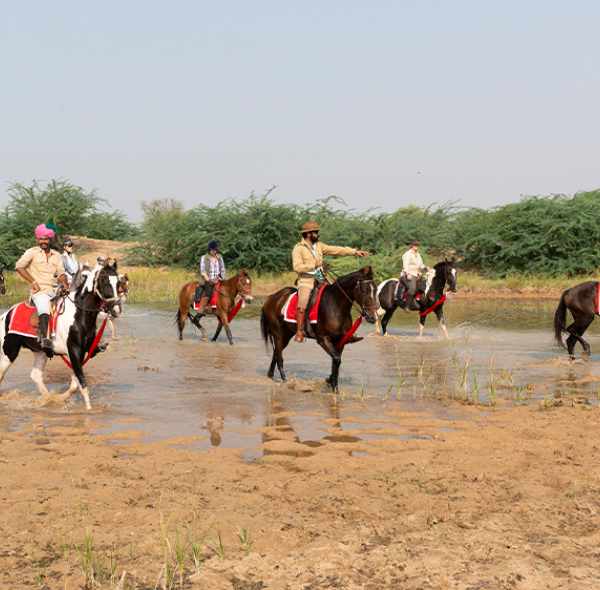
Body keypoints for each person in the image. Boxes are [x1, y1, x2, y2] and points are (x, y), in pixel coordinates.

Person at [292, 221, 369, 342]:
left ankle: (344, 330)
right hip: (306, 281)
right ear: (308, 234)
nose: (318, 234)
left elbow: (337, 250)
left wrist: (354, 251)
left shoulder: (319, 246)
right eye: (316, 232)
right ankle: (300, 331)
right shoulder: (298, 249)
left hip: (322, 279)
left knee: (339, 298)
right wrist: (314, 265)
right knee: (302, 303)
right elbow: (296, 267)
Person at [15, 223, 68, 354]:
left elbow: (62, 272)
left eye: (46, 239)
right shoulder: (31, 252)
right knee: (44, 307)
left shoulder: (57, 255)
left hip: (56, 290)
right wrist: (33, 281)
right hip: (40, 291)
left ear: (50, 240)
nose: (43, 241)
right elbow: (19, 266)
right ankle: (46, 339)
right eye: (41, 239)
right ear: (37, 240)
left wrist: (64, 282)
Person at [193, 240, 226, 317]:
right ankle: (201, 311)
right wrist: (209, 280)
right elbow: (203, 271)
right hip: (207, 279)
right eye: (212, 250)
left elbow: (222, 269)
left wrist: (223, 278)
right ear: (209, 250)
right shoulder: (204, 258)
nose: (213, 252)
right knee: (208, 291)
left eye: (214, 250)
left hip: (218, 279)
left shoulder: (219, 257)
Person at [399, 238, 428, 314]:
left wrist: (425, 268)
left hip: (417, 274)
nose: (417, 246)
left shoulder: (418, 254)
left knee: (425, 283)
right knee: (413, 287)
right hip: (406, 274)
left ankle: (419, 301)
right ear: (411, 245)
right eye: (415, 244)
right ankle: (407, 306)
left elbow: (421, 265)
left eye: (417, 244)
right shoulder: (407, 254)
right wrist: (408, 273)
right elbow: (405, 265)